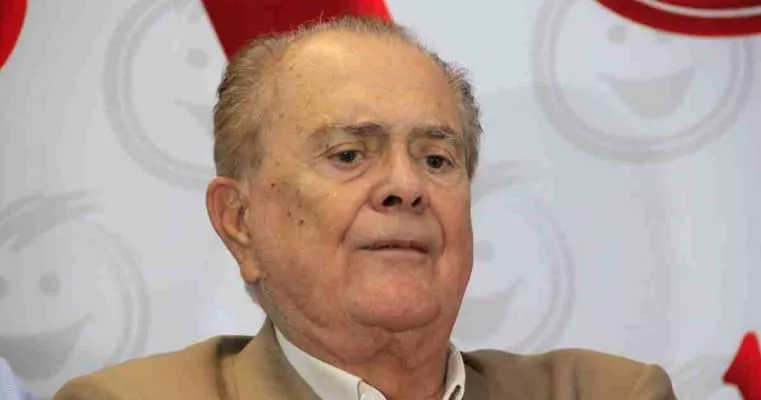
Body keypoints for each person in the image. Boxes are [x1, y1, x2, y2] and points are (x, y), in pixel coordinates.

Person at [53, 16, 676, 400]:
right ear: (240, 223)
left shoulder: (609, 394)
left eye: (437, 159)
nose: (406, 186)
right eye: (350, 154)